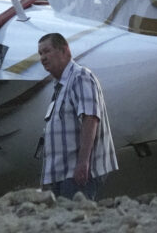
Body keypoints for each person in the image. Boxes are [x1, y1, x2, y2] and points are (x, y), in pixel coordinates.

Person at [38, 32, 118, 200]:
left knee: (75, 221)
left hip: (76, 174)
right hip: (60, 174)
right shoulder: (59, 86)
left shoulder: (80, 76)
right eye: (40, 54)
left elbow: (90, 118)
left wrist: (83, 162)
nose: (43, 58)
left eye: (47, 51)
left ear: (64, 51)